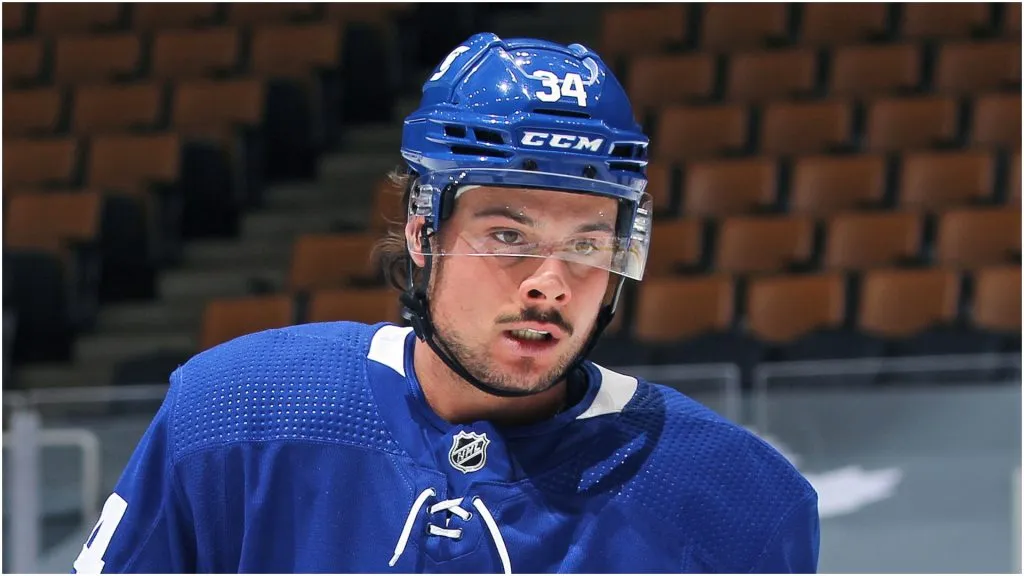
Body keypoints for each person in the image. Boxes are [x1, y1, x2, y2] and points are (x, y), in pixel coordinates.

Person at [73, 33, 819, 574]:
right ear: (423, 232)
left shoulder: (737, 497)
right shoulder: (233, 412)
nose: (550, 283)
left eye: (589, 245)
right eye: (507, 234)